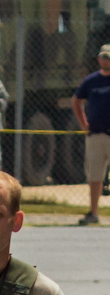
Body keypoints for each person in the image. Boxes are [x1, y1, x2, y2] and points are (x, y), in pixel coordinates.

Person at [72, 44, 110, 226]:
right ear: (99, 59)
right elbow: (76, 100)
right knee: (95, 176)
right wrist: (83, 123)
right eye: (104, 57)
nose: (106, 60)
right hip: (95, 135)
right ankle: (93, 212)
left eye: (109, 57)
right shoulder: (91, 81)